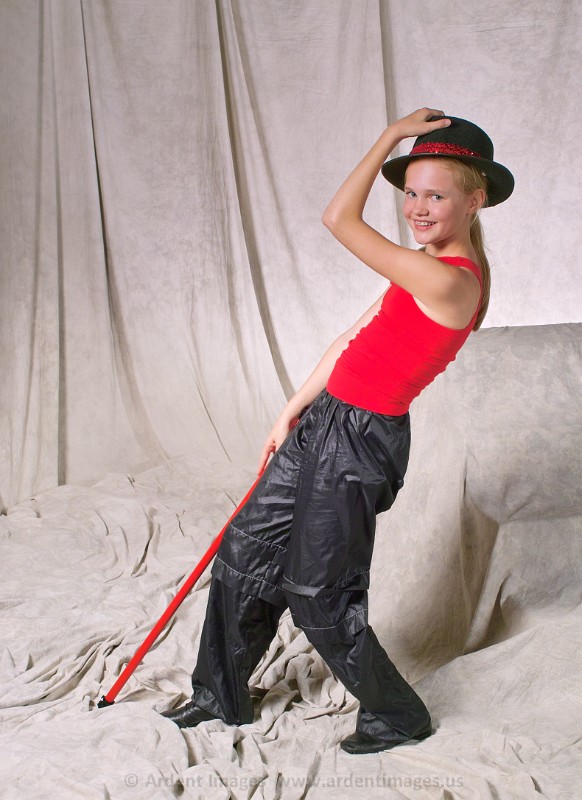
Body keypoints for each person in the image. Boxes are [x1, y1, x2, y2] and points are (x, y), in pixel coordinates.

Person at [161, 108, 514, 754]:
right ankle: (219, 694)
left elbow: (337, 219)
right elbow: (356, 337)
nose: (418, 207)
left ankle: (397, 715)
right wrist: (292, 408)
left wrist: (391, 137)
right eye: (411, 192)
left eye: (436, 195)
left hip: (359, 444)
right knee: (244, 549)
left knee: (318, 594)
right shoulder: (422, 264)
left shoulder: (449, 281)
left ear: (475, 199)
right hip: (325, 421)